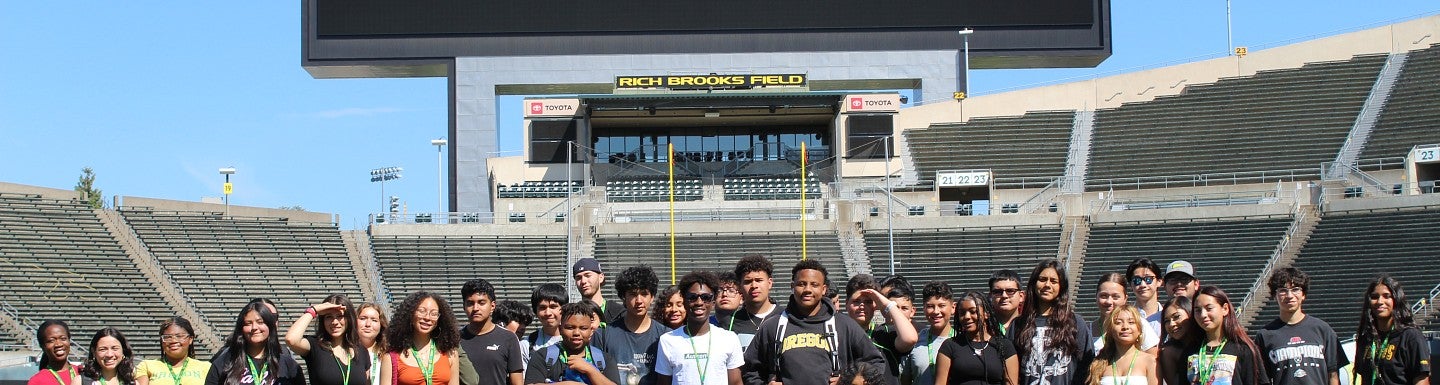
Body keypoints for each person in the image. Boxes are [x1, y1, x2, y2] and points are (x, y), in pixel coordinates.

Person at [741, 259, 885, 385]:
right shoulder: (772, 326)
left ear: (823, 289)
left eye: (814, 285)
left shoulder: (844, 325)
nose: (807, 289)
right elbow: (749, 370)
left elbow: (875, 363)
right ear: (792, 286)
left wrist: (848, 379)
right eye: (801, 284)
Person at [1254, 268, 1346, 385]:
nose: (1289, 295)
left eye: (1295, 289)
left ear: (1303, 295)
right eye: (1283, 290)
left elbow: (1333, 375)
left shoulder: (1323, 329)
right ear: (1275, 296)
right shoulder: (1265, 335)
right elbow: (1262, 380)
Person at [655, 271, 745, 385]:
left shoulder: (729, 339)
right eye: (692, 297)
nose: (699, 302)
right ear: (684, 301)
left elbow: (736, 382)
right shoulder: (668, 340)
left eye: (705, 297)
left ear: (713, 301)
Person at [1015, 260, 1092, 385]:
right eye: (1042, 279)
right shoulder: (1019, 324)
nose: (1047, 285)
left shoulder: (1075, 322)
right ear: (1034, 283)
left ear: (1061, 286)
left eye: (1054, 281)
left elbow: (1087, 366)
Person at [592, 266, 668, 385]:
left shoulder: (665, 336)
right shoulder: (603, 335)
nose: (639, 300)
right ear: (623, 297)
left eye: (644, 294)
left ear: (652, 297)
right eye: (633, 294)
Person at [1353, 275, 1431, 385]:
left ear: (1396, 300)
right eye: (1374, 297)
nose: (1380, 301)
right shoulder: (1366, 339)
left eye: (1386, 296)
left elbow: (1421, 381)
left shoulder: (1411, 337)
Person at [206, 302, 305, 385]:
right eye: (248, 323)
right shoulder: (224, 362)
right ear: (241, 328)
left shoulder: (288, 365)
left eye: (260, 322)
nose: (254, 327)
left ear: (270, 326)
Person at [933, 291, 1019, 385]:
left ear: (986, 314)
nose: (966, 317)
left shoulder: (1004, 346)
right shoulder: (950, 346)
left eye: (973, 312)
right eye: (962, 313)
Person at [523, 303, 620, 385]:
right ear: (560, 329)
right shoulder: (542, 356)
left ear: (591, 331)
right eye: (570, 327)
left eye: (583, 328)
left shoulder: (604, 359)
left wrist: (590, 370)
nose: (577, 333)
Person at [845, 274, 918, 381]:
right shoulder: (837, 332)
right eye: (856, 301)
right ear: (847, 303)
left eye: (868, 302)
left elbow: (910, 339)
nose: (862, 306)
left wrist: (887, 304)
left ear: (875, 305)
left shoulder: (885, 333)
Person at [286, 294, 372, 385]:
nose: (334, 322)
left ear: (349, 319)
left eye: (340, 316)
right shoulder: (315, 345)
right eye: (329, 317)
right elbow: (291, 339)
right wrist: (314, 310)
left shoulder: (361, 351)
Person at [1186, 286, 1264, 385]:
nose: (1203, 314)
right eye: (1197, 310)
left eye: (1209, 308)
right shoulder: (1191, 349)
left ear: (1225, 309)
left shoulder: (1243, 348)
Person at [381, 291, 463, 385]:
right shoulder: (391, 357)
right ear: (411, 314)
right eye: (422, 311)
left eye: (434, 313)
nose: (427, 317)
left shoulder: (451, 354)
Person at [456, 279, 525, 385]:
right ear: (463, 306)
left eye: (481, 303)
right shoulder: (455, 339)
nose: (475, 308)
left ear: (492, 306)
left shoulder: (508, 338)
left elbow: (517, 382)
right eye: (470, 303)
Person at [1084, 305, 1158, 385]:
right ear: (1110, 330)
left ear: (1139, 330)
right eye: (1118, 322)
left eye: (1131, 322)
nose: (1125, 327)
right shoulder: (1099, 363)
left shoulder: (1150, 361)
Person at [901, 282, 957, 385]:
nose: (936, 311)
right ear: (924, 308)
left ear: (953, 307)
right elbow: (905, 381)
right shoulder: (914, 341)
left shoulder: (962, 341)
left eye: (942, 305)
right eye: (930, 306)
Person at [1089, 273, 1158, 354]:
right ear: (1096, 297)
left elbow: (1153, 359)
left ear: (1125, 299)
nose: (1109, 301)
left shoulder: (1139, 324)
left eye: (1115, 297)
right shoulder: (1087, 330)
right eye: (1103, 296)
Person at [723, 255, 780, 352]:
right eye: (748, 281)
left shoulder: (785, 318)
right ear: (740, 286)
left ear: (769, 283)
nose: (754, 286)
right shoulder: (728, 323)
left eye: (759, 280)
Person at [136, 317, 211, 385]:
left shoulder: (206, 367)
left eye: (179, 336)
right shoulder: (146, 366)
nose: (173, 340)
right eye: (167, 337)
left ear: (190, 339)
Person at [1157, 296, 1197, 385]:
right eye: (1166, 321)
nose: (1171, 324)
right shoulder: (1168, 352)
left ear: (1190, 314)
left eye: (1176, 317)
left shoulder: (1207, 343)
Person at [574, 258, 625, 326]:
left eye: (588, 275)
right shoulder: (572, 314)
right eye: (578, 278)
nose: (583, 281)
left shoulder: (618, 313)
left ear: (601, 277)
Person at [1123, 258, 1165, 338]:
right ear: (1131, 284)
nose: (1142, 285)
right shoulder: (1125, 317)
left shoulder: (1167, 316)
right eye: (1136, 280)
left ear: (1159, 282)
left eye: (1148, 279)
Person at [30, 320, 80, 385]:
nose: (58, 344)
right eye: (51, 341)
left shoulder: (84, 373)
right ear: (42, 346)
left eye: (63, 339)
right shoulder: (37, 381)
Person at [529, 283, 570, 358]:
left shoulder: (576, 340)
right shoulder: (527, 344)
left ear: (564, 309)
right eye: (542, 307)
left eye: (553, 307)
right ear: (536, 311)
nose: (548, 313)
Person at [356, 303, 389, 385]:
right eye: (363, 318)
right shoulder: (344, 351)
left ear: (381, 324)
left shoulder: (389, 354)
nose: (368, 324)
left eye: (374, 320)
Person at [987, 270, 1025, 341]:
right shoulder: (984, 327)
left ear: (1021, 296)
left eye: (1010, 291)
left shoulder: (1030, 326)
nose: (1004, 296)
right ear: (990, 296)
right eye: (997, 292)